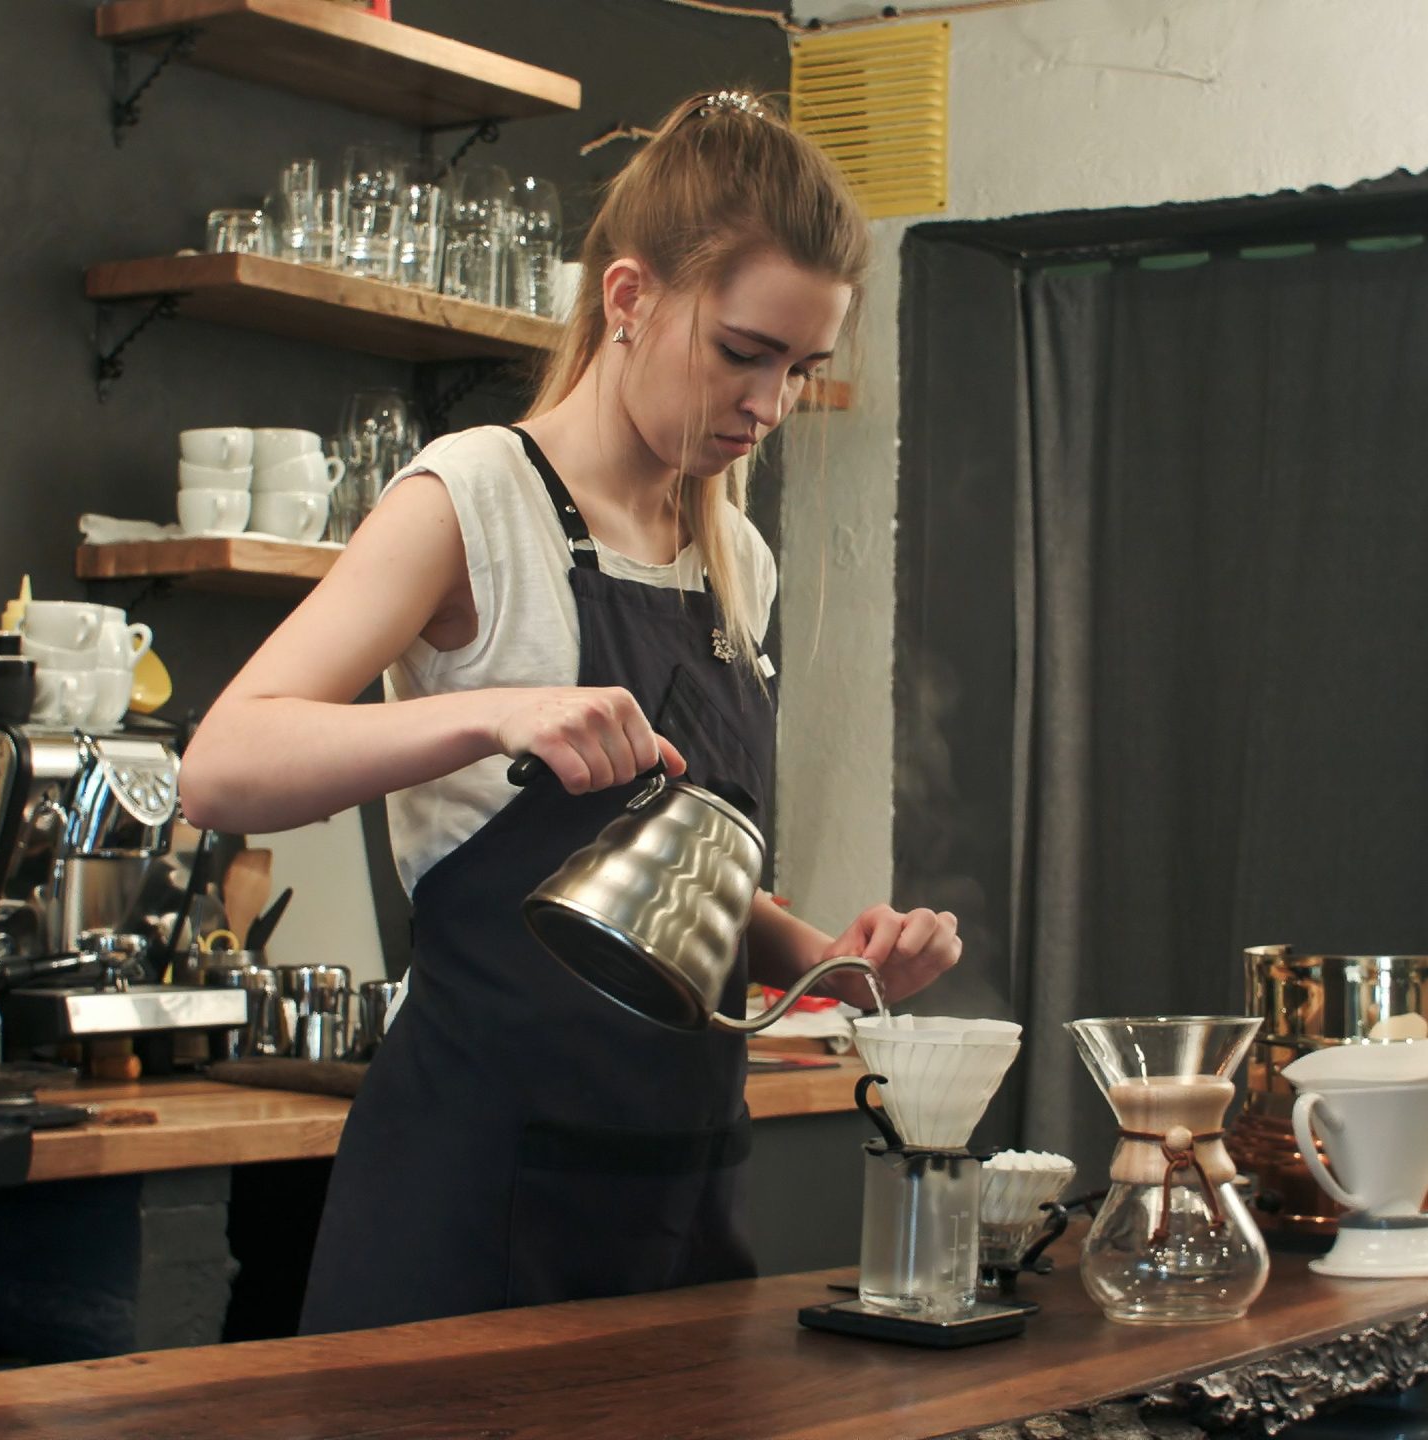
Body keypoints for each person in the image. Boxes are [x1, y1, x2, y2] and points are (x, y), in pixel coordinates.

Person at [178, 89, 962, 1335]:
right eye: (743, 351)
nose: (768, 404)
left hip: (678, 1189)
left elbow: (670, 889)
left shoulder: (732, 559)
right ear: (633, 299)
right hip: (475, 1193)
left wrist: (828, 961)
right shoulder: (474, 496)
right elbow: (221, 766)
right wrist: (492, 718)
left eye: (800, 369)